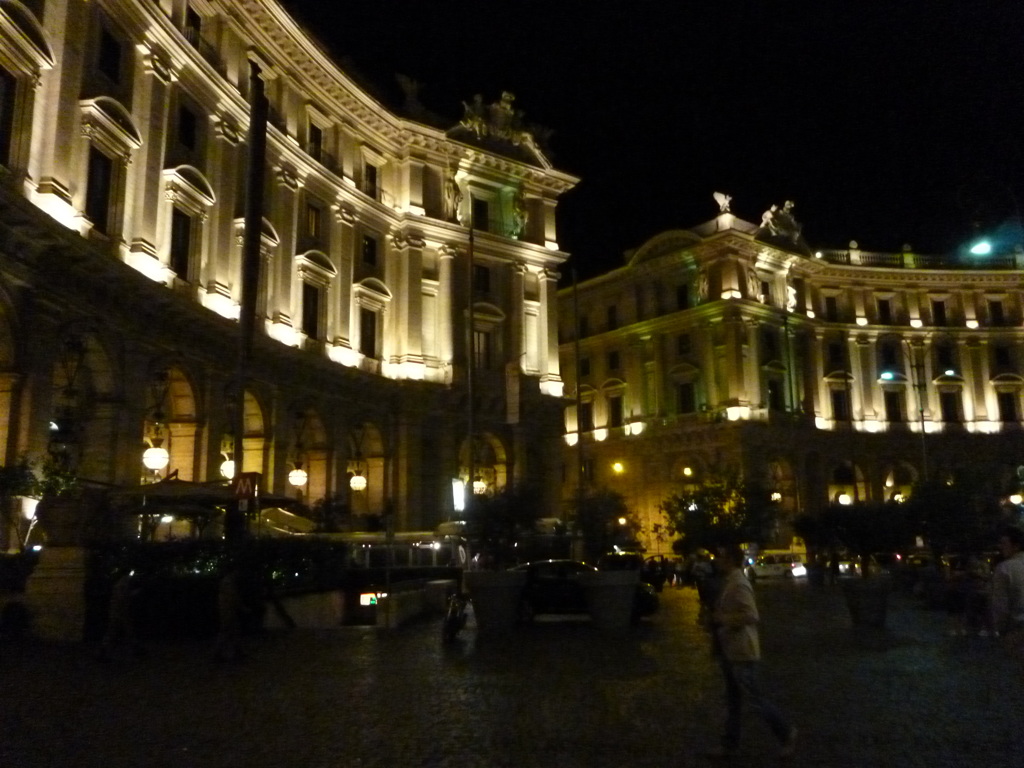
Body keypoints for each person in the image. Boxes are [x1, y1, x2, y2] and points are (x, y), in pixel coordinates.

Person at [707, 545, 797, 758]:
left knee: (754, 699)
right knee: (734, 700)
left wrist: (722, 619)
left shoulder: (739, 583)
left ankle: (786, 732)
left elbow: (751, 615)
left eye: (720, 557)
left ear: (730, 560)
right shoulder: (731, 581)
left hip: (742, 652)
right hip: (731, 651)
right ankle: (729, 744)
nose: (716, 561)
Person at [97, 568, 145, 661]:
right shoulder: (122, 584)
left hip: (119, 611)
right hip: (119, 612)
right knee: (119, 631)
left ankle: (104, 651)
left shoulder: (121, 584)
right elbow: (122, 597)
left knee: (122, 631)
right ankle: (103, 651)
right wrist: (134, 593)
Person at [991, 526, 1024, 651]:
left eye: (1004, 543)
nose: (1000, 547)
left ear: (1016, 546)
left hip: (1018, 629)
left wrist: (1002, 629)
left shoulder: (1005, 568)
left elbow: (1000, 604)